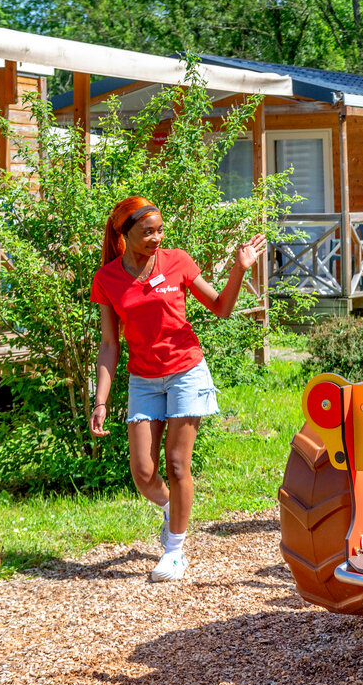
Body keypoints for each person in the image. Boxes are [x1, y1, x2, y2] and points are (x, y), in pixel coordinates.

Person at [90, 197, 265, 583]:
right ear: (125, 233)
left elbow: (221, 307)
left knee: (176, 463)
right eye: (147, 232)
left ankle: (174, 551)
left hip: (186, 371)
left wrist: (239, 268)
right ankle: (173, 511)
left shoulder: (178, 261)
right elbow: (109, 344)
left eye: (160, 230)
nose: (157, 238)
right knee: (142, 472)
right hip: (144, 379)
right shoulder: (107, 279)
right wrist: (100, 400)